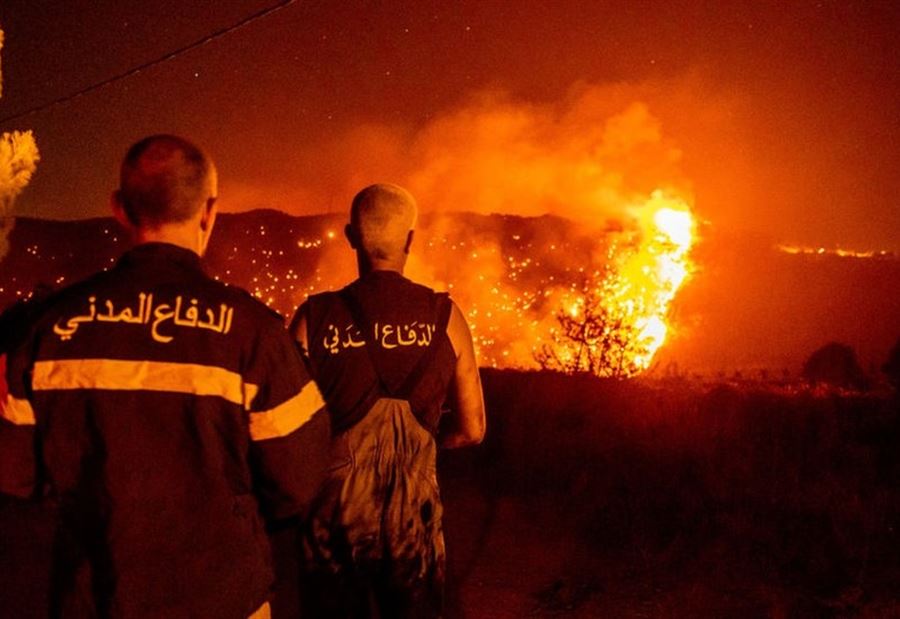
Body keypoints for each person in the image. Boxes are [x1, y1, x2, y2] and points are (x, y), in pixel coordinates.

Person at [0, 135, 327, 618]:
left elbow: (15, 471)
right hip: (223, 598)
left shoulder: (50, 329)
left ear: (118, 209)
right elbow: (299, 479)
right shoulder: (254, 334)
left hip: (95, 598)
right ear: (209, 211)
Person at [289, 183, 485, 618]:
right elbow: (473, 429)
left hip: (334, 517)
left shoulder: (312, 319)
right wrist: (425, 449)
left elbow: (286, 429)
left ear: (350, 236)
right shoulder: (446, 318)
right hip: (413, 519)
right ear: (411, 240)